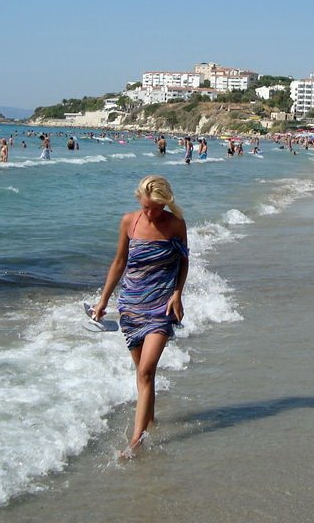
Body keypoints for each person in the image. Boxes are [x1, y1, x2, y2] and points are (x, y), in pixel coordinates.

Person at [91, 175, 188, 458]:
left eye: (156, 207)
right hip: (131, 306)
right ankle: (151, 421)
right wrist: (103, 301)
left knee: (145, 370)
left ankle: (137, 439)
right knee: (143, 373)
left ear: (165, 203)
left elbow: (184, 261)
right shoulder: (129, 222)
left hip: (161, 307)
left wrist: (177, 293)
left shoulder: (175, 225)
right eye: (146, 207)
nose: (150, 213)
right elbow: (119, 262)